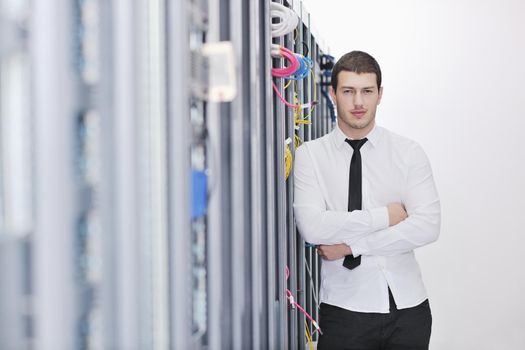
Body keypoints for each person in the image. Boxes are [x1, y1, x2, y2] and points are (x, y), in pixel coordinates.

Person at [293, 51, 441, 350]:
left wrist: (352, 246)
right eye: (348, 91)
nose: (358, 102)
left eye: (367, 91)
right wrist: (386, 216)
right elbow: (312, 227)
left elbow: (427, 226)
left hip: (408, 308)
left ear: (379, 94)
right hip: (343, 311)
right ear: (333, 94)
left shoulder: (407, 153)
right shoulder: (311, 156)